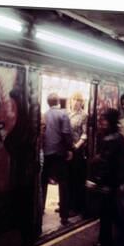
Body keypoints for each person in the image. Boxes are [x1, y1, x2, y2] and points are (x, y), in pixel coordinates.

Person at [89, 108, 124, 246]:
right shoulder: (120, 137)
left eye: (104, 120)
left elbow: (106, 164)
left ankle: (105, 240)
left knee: (106, 212)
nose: (102, 123)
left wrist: (98, 181)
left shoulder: (109, 139)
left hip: (108, 182)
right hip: (116, 181)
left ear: (111, 121)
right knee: (113, 210)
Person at [41, 93, 74, 225]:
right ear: (58, 101)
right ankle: (64, 216)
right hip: (59, 154)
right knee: (63, 184)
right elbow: (66, 133)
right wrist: (70, 149)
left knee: (43, 182)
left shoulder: (44, 115)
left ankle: (41, 209)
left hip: (46, 153)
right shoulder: (63, 114)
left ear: (48, 103)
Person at [68, 92, 88, 215]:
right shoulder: (67, 114)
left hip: (77, 151)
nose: (76, 102)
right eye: (74, 99)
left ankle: (75, 207)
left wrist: (77, 146)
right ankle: (66, 204)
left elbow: (85, 134)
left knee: (76, 179)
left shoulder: (84, 115)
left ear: (82, 102)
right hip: (67, 149)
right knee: (67, 179)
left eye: (78, 100)